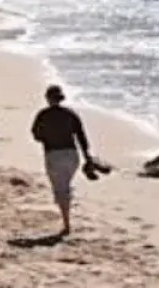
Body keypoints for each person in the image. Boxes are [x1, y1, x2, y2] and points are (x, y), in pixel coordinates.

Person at [31, 85, 91, 236]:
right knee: (65, 185)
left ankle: (67, 224)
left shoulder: (43, 115)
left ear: (47, 98)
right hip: (72, 155)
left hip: (53, 154)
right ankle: (67, 211)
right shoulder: (70, 114)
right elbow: (81, 137)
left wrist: (48, 136)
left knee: (60, 188)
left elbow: (36, 135)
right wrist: (87, 157)